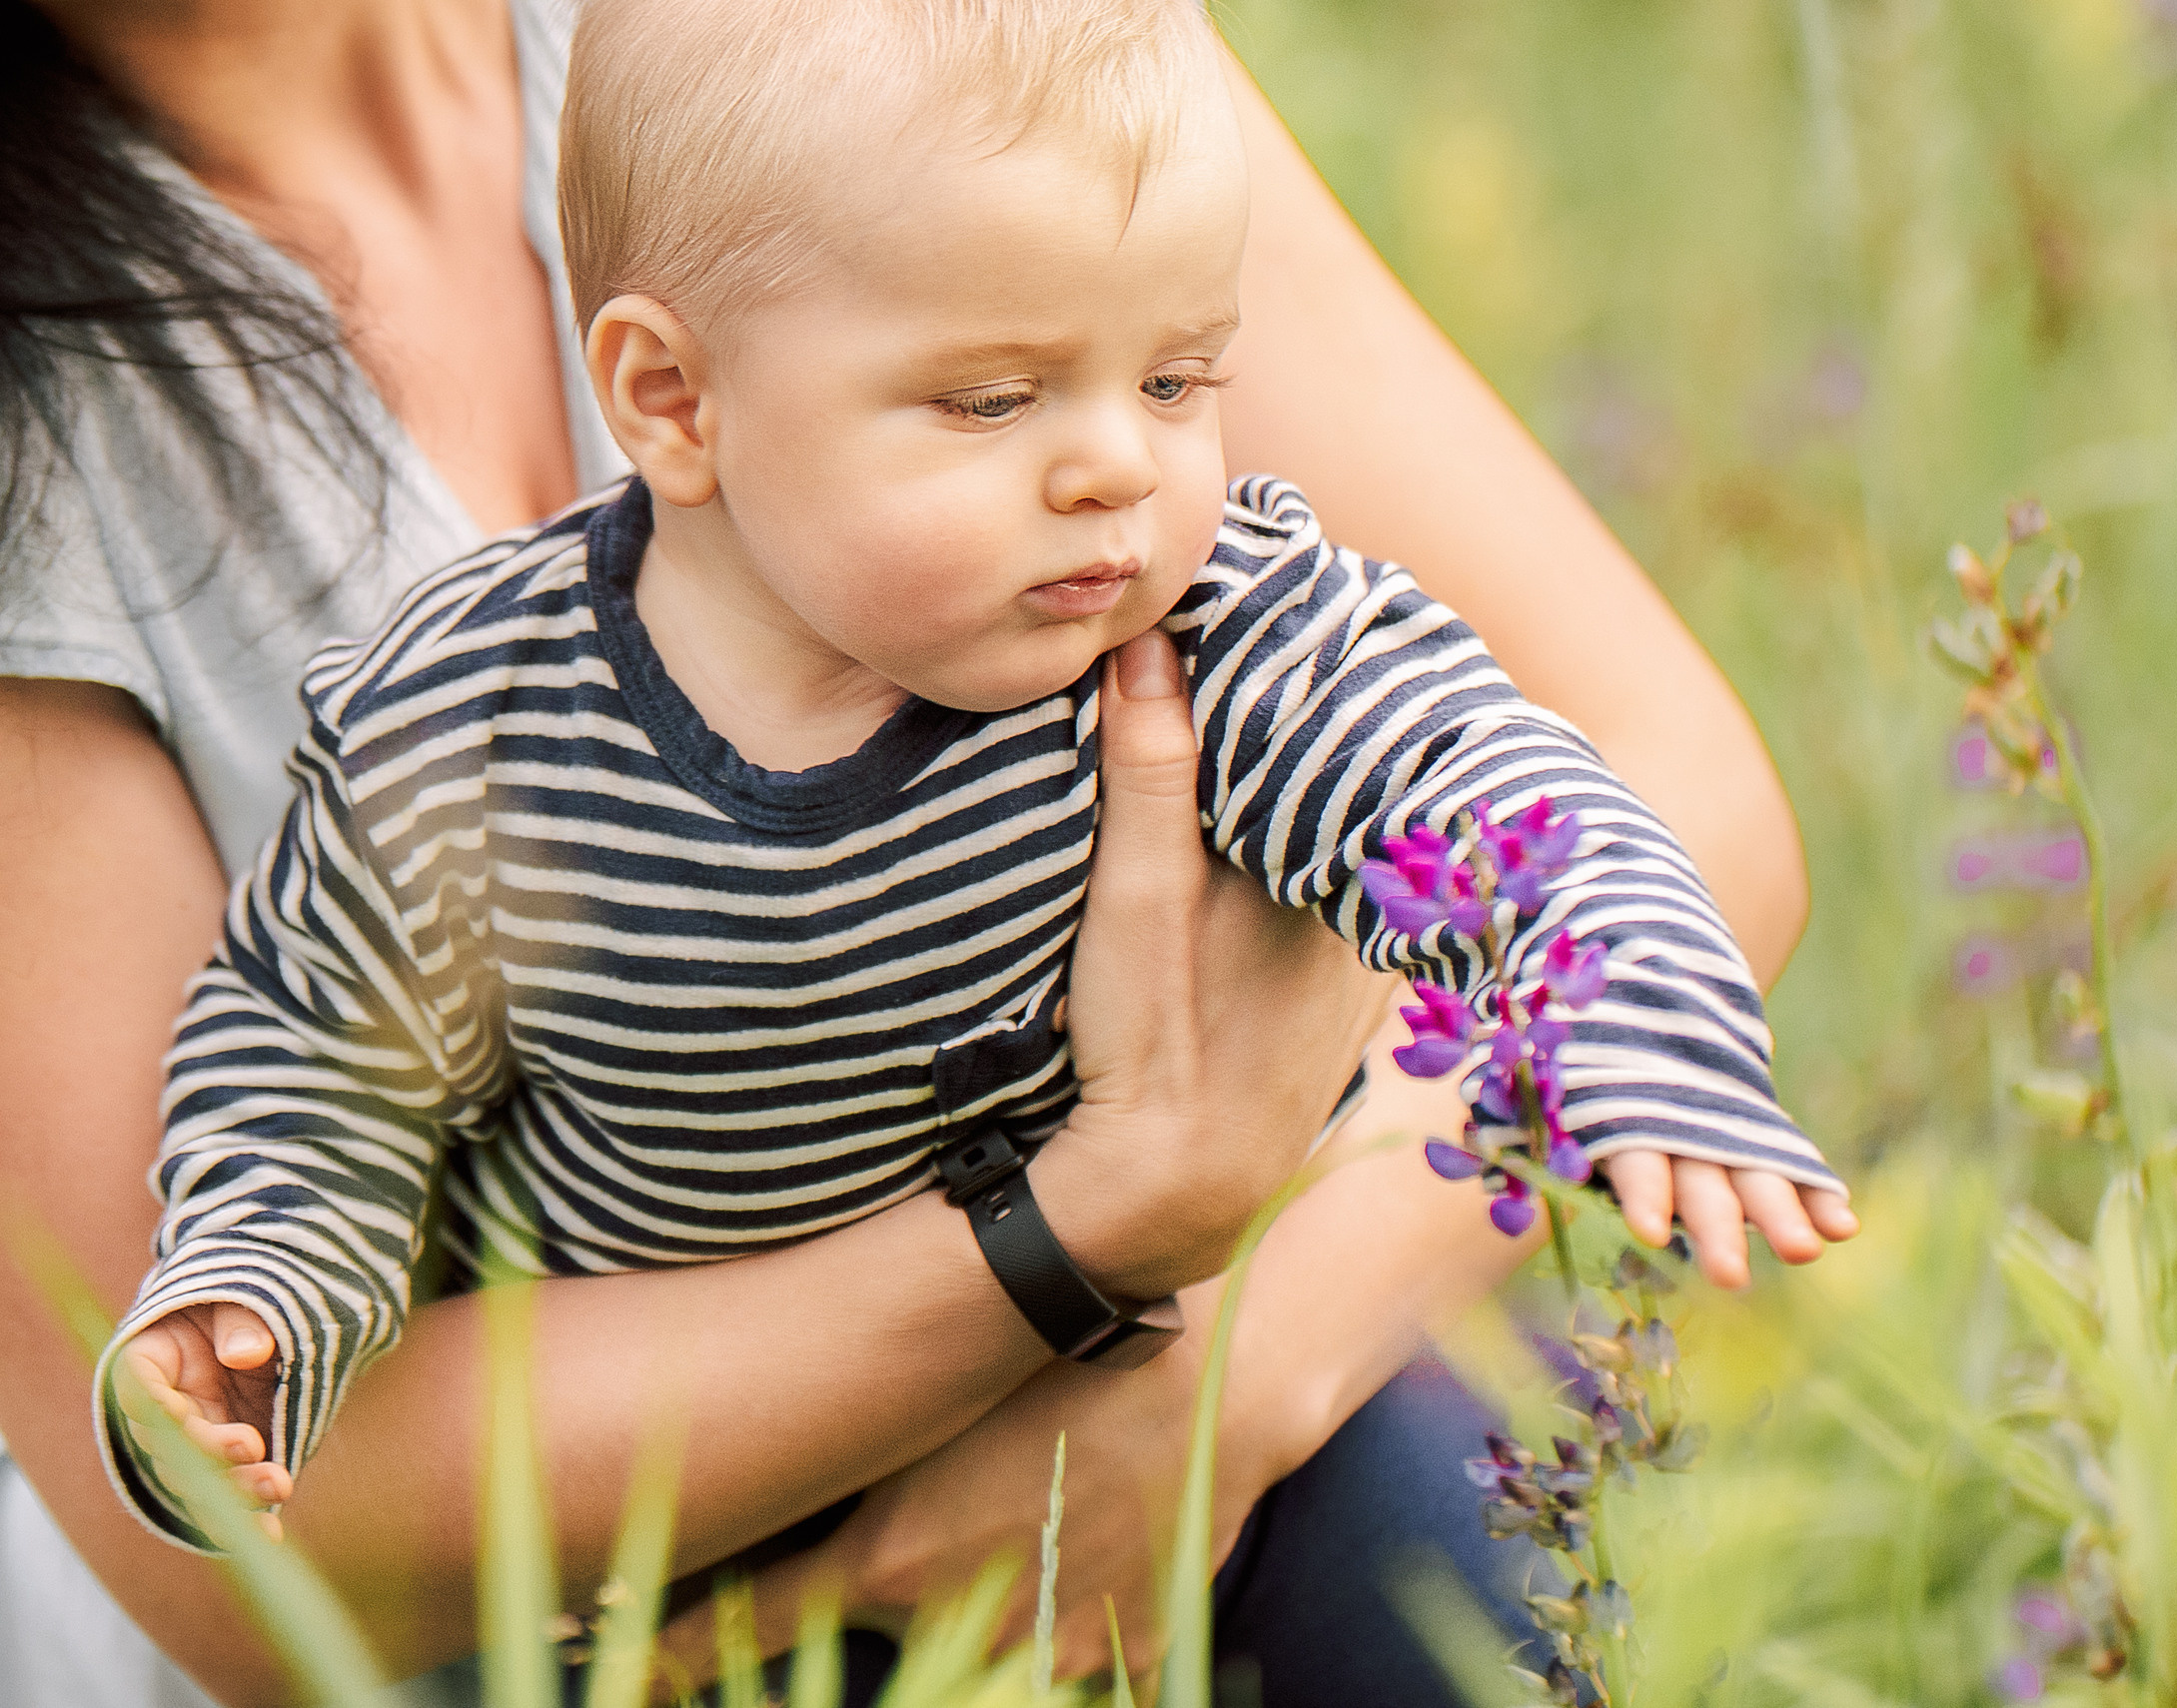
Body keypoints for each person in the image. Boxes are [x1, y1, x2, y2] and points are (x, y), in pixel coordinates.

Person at [0, 0, 1835, 1703]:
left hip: (1180, 1389)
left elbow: (1583, 781)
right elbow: (300, 1128)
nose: (1118, 466)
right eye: (986, 400)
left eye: (1185, 383)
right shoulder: (452, 712)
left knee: (1452, 1581)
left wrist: (1222, 1365)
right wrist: (253, 1290)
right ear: (670, 400)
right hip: (620, 1600)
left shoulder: (957, 100)